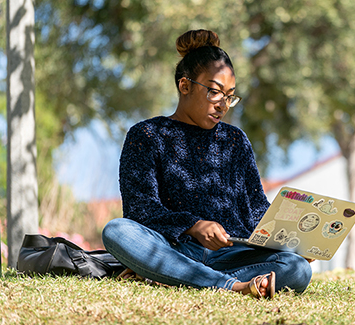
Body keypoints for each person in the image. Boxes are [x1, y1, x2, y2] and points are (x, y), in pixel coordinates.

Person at [102, 29, 312, 298]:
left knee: (297, 269)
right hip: (174, 247)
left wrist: (289, 242)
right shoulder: (147, 135)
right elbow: (140, 208)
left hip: (232, 254)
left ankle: (171, 278)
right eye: (214, 92)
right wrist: (193, 225)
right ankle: (232, 286)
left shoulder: (235, 140)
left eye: (230, 96)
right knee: (118, 231)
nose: (223, 105)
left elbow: (256, 208)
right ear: (185, 85)